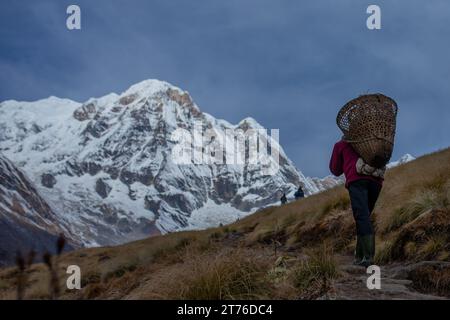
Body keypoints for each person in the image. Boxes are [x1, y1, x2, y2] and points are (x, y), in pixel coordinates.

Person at [329, 139, 383, 267]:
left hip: (357, 180)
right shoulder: (371, 141)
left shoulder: (341, 145)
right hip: (376, 181)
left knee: (361, 216)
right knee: (364, 216)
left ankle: (368, 256)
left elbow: (335, 170)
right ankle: (359, 256)